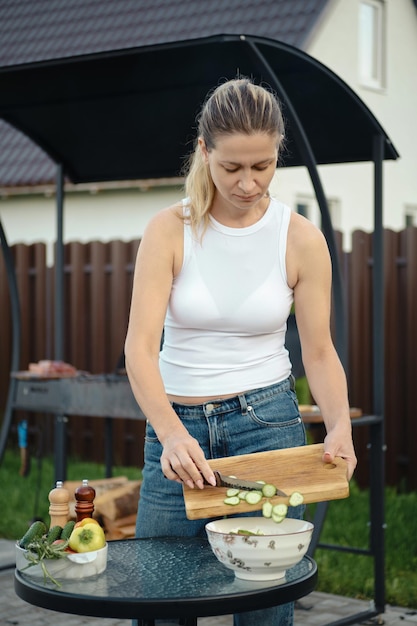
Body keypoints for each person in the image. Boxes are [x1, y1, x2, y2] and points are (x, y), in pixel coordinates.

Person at [125, 77, 357, 626]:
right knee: (157, 599)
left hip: (267, 423)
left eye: (263, 166)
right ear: (205, 152)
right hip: (177, 430)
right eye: (232, 168)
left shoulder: (300, 238)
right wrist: (173, 433)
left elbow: (319, 352)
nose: (249, 183)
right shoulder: (169, 231)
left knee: (264, 607)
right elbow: (139, 348)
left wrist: (341, 424)